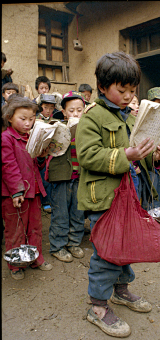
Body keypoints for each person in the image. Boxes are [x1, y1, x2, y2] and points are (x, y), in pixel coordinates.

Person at [75, 51, 160, 337]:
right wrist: (124, 154)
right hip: (104, 196)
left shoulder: (128, 116)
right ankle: (98, 306)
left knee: (126, 243)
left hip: (129, 193)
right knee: (107, 251)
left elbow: (136, 152)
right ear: (102, 87)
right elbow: (88, 155)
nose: (129, 96)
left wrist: (154, 154)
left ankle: (120, 290)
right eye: (122, 90)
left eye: (132, 90)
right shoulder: (92, 117)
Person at [1, 96, 53, 280]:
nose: (28, 123)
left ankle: (35, 258)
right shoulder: (6, 138)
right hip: (14, 194)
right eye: (23, 119)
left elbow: (35, 165)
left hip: (34, 191)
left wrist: (41, 157)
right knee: (15, 229)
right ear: (9, 117)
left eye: (31, 119)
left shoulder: (31, 137)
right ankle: (15, 265)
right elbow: (8, 166)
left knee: (35, 227)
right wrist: (16, 191)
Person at [42, 91, 86, 262]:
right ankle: (58, 246)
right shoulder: (55, 127)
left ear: (84, 110)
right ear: (64, 111)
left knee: (77, 212)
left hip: (80, 176)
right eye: (71, 110)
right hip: (60, 177)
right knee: (60, 214)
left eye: (79, 110)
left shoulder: (87, 129)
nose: (75, 114)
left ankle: (74, 242)